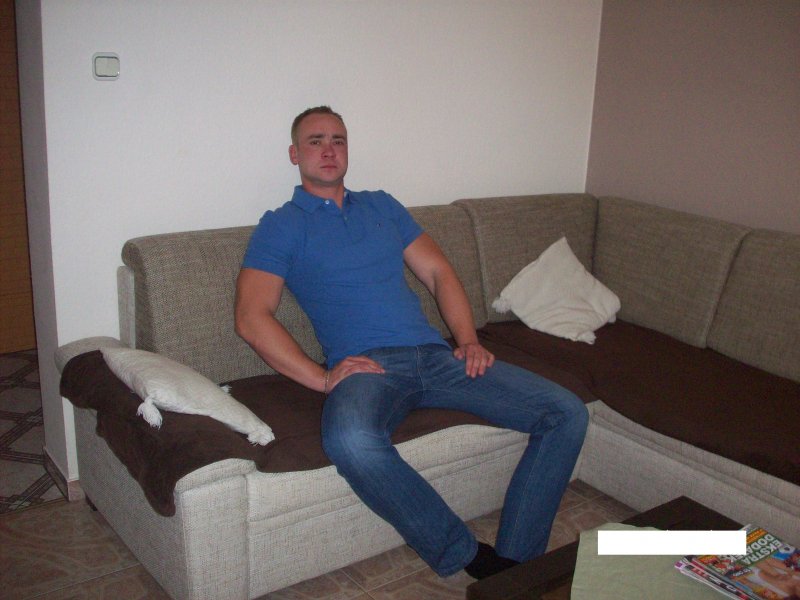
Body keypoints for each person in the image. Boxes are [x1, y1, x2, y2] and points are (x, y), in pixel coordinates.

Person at [234, 106, 589, 579]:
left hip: (437, 358)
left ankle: (515, 570)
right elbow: (251, 317)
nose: (329, 150)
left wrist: (468, 340)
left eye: (338, 140)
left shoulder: (382, 206)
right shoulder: (281, 225)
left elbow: (438, 271)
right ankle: (465, 555)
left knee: (567, 412)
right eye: (315, 141)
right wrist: (322, 379)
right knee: (350, 441)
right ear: (295, 154)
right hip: (369, 369)